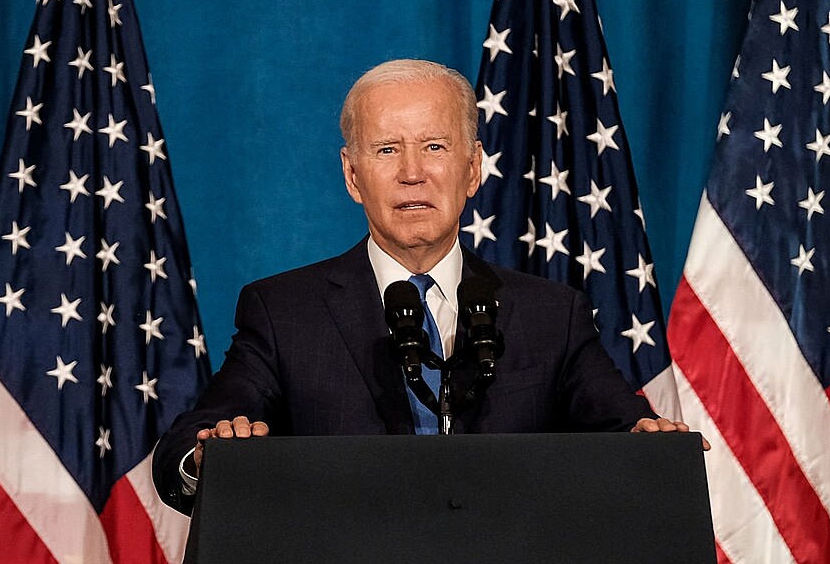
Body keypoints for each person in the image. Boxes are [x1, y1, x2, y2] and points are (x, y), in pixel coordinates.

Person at [153, 59, 704, 515]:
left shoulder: (549, 314)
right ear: (352, 176)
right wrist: (210, 456)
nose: (412, 173)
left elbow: (625, 429)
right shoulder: (285, 312)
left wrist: (654, 447)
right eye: (387, 150)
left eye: (435, 147)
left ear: (472, 171)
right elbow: (189, 442)